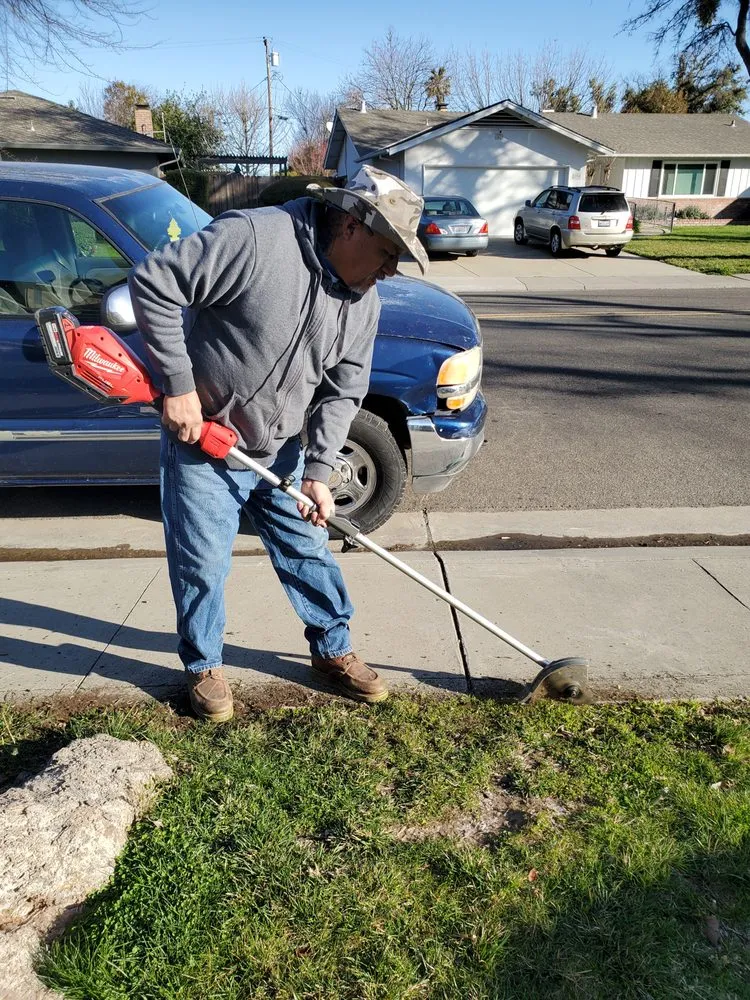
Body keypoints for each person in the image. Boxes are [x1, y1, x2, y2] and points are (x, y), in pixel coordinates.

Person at [128, 166, 429, 723]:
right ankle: (203, 665)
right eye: (389, 251)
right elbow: (154, 282)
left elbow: (345, 389)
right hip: (207, 444)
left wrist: (318, 469)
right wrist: (179, 386)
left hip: (281, 451)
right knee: (202, 563)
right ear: (351, 226)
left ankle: (333, 648)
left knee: (307, 549)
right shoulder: (254, 239)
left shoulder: (365, 301)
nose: (391, 269)